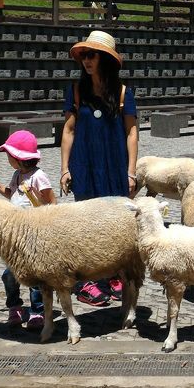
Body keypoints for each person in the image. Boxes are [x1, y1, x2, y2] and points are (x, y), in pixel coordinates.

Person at [60, 31, 139, 306]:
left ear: (105, 59)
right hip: (85, 164)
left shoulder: (122, 92)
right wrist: (64, 169)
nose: (86, 61)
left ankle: (115, 275)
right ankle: (88, 281)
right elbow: (69, 130)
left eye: (92, 55)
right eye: (84, 56)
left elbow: (131, 133)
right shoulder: (76, 90)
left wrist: (131, 171)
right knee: (87, 224)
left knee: (115, 224)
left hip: (114, 165)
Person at [0, 130, 56, 328]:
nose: (7, 159)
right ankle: (14, 307)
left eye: (9, 155)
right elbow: (11, 195)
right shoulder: (17, 175)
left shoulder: (38, 177)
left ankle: (37, 311)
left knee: (34, 276)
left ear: (18, 157)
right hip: (17, 235)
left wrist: (36, 198)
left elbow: (51, 202)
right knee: (9, 275)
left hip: (35, 233)